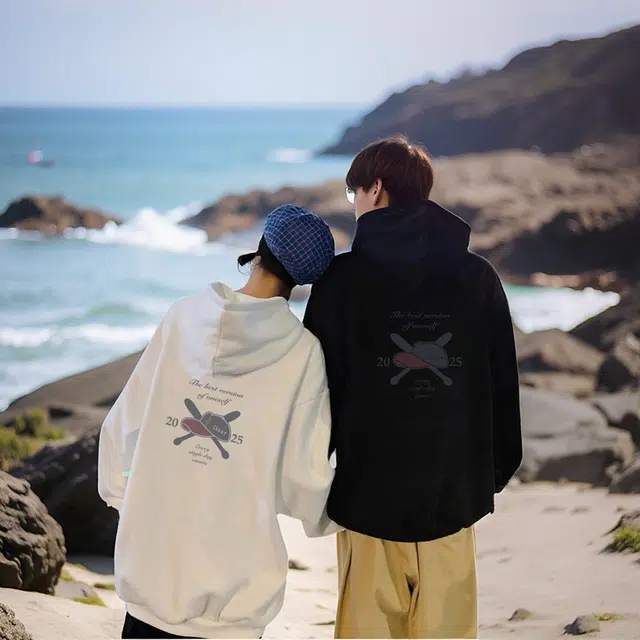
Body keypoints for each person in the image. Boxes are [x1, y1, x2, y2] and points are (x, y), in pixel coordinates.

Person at [304, 136, 523, 639]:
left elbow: (314, 392)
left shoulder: (339, 281)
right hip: (453, 495)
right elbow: (501, 383)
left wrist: (311, 476)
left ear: (375, 188)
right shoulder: (479, 277)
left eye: (354, 192)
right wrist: (490, 475)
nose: (354, 204)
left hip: (366, 495)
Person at [98, 204, 340, 640]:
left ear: (259, 250)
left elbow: (124, 426)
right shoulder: (302, 353)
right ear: (303, 279)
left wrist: (127, 497)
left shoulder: (183, 316)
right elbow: (304, 482)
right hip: (235, 599)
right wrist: (335, 513)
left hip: (152, 574)